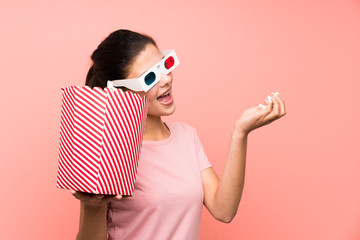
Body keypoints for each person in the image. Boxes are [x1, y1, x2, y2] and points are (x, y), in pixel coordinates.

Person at [71, 29, 286, 240]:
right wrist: (92, 206)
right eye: (150, 78)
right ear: (121, 91)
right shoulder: (106, 152)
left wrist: (240, 132)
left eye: (164, 65)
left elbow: (224, 210)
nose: (166, 80)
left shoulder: (187, 136)